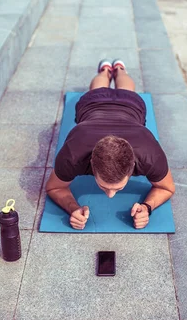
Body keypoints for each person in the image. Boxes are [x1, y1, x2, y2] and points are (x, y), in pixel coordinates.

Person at [46, 59, 175, 230]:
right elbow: (53, 187)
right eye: (103, 186)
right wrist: (72, 208)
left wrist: (147, 207)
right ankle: (106, 70)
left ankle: (119, 69)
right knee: (99, 90)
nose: (110, 195)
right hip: (92, 106)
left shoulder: (149, 154)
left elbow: (168, 188)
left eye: (118, 187)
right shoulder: (73, 154)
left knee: (125, 91)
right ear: (91, 164)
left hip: (130, 107)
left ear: (134, 167)